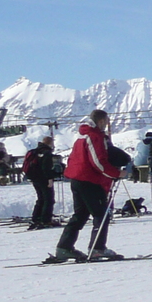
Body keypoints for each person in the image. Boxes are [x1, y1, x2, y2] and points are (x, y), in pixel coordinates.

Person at [47, 109, 126, 262]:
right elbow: (98, 161)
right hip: (89, 179)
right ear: (102, 121)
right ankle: (97, 248)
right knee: (101, 214)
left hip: (77, 178)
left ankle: (64, 247)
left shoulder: (82, 135)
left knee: (81, 214)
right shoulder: (94, 136)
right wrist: (115, 173)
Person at [23, 135, 57, 230]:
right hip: (44, 179)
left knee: (41, 198)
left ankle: (36, 218)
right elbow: (46, 167)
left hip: (34, 178)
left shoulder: (35, 151)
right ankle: (46, 219)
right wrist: (50, 178)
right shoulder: (47, 153)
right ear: (50, 143)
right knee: (49, 199)